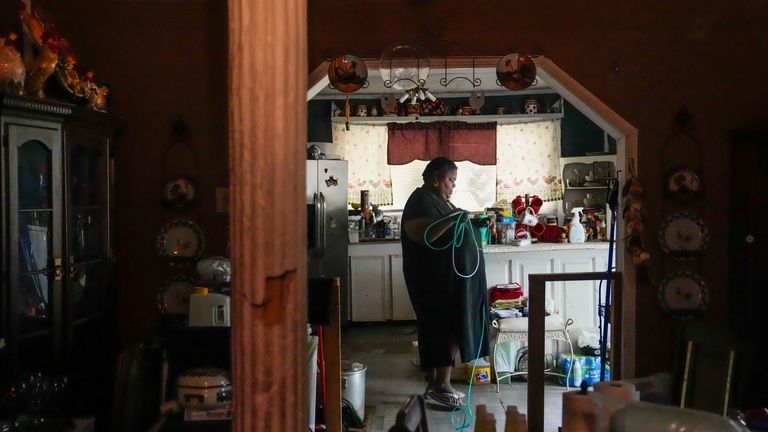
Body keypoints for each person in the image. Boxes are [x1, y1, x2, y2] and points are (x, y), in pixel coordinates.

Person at [400, 157, 490, 408]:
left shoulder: (440, 201)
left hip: (449, 280)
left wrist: (473, 222)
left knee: (450, 326)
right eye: (450, 180)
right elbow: (422, 232)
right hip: (433, 282)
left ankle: (438, 384)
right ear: (436, 177)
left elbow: (452, 228)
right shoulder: (420, 200)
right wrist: (456, 218)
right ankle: (441, 385)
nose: (453, 186)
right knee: (440, 328)